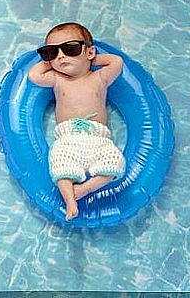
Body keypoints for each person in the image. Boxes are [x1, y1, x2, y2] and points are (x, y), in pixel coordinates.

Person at [28, 22, 126, 221]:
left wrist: (91, 58)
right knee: (60, 164)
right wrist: (52, 61)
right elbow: (33, 75)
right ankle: (70, 201)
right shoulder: (57, 79)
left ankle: (83, 189)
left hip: (98, 137)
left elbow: (116, 62)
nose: (62, 56)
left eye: (70, 48)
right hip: (68, 137)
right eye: (51, 52)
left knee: (115, 164)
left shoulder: (100, 77)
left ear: (89, 51)